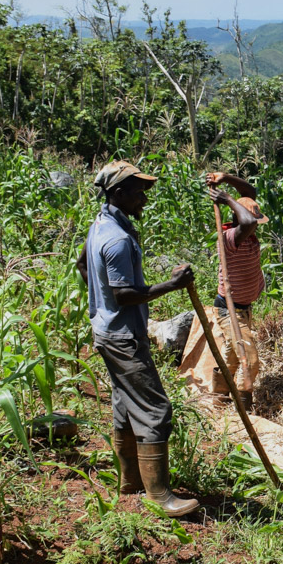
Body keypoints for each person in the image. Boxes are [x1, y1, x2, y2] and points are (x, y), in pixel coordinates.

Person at [77, 160, 199, 518]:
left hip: (106, 329)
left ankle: (129, 481)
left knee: (125, 403)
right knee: (155, 410)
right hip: (123, 335)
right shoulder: (116, 239)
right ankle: (160, 495)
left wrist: (97, 304)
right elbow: (125, 294)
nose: (144, 199)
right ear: (117, 193)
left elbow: (82, 265)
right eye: (138, 192)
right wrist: (172, 286)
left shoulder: (100, 225)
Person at [202, 172, 266, 408]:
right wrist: (227, 198)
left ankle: (219, 395)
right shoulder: (231, 237)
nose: (256, 227)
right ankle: (244, 407)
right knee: (249, 358)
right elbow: (248, 221)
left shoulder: (247, 234)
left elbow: (250, 194)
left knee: (230, 354)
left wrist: (226, 177)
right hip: (230, 310)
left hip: (244, 309)